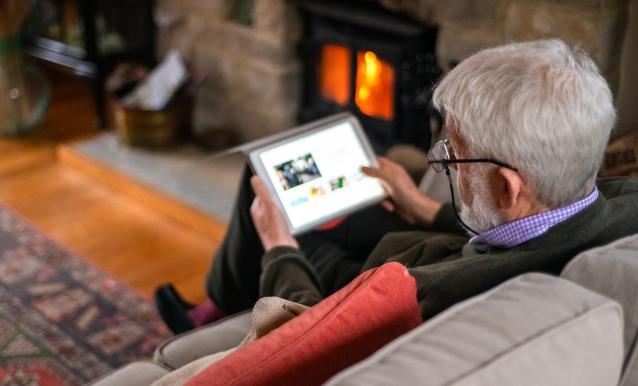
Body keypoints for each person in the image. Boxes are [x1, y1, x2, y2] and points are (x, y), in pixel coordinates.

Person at [156, 39, 638, 333]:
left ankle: (215, 307)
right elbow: (528, 226)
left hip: (366, 280)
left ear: (508, 188)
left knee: (263, 186)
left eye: (452, 154)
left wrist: (280, 249)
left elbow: (304, 330)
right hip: (425, 243)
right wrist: (426, 208)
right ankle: (220, 299)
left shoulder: (435, 297)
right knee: (300, 187)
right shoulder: (623, 206)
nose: (442, 162)